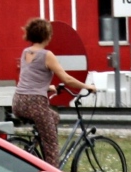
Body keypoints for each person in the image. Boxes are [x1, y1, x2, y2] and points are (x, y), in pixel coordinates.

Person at [12, 17, 96, 161]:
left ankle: (32, 150)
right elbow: (66, 79)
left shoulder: (26, 52)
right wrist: (87, 86)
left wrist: (47, 87)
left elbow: (30, 76)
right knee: (52, 146)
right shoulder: (46, 55)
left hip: (18, 101)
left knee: (54, 117)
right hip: (35, 103)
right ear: (47, 35)